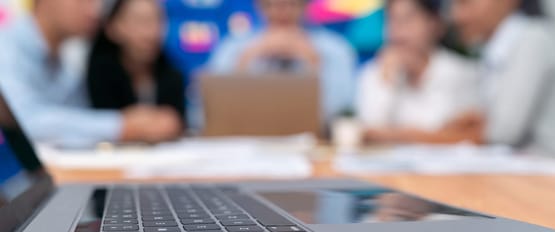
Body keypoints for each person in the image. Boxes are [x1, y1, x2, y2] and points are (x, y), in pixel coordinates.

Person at [0, 0, 183, 148]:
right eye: (83, 1)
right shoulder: (7, 50)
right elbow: (21, 123)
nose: (94, 11)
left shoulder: (65, 66)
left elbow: (75, 120)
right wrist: (124, 126)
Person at [357, 0, 481, 145]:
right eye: (392, 20)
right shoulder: (374, 72)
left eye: (408, 19)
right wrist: (386, 83)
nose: (399, 31)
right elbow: (367, 133)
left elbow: (468, 135)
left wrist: (397, 135)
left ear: (435, 24)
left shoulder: (462, 73)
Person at [207, 0, 357, 119]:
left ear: (305, 5)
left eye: (291, 4)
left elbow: (343, 113)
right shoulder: (232, 49)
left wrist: (314, 64)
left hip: (314, 141)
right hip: (247, 141)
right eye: (272, 5)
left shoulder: (335, 49)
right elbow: (210, 113)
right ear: (259, 6)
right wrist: (244, 64)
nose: (282, 12)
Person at [449, 0, 555, 156]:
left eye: (467, 3)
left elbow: (503, 133)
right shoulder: (495, 49)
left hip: (548, 167)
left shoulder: (534, 38)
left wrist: (421, 136)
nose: (456, 16)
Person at [87, 0, 186, 126]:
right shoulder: (96, 75)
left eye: (157, 20)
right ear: (112, 27)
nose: (151, 32)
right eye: (141, 21)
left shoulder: (173, 75)